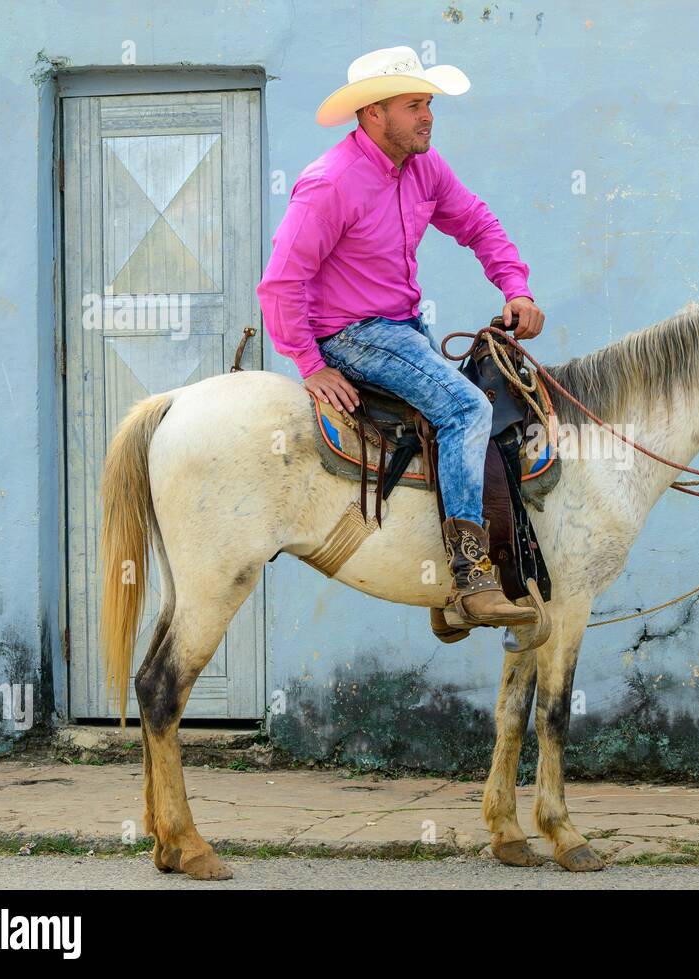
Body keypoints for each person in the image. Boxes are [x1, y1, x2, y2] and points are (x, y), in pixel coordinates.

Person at [256, 45, 543, 628]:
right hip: (353, 336)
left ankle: (443, 586)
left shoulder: (424, 168)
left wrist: (517, 288)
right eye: (414, 105)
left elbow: (476, 222)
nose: (428, 115)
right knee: (466, 409)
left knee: (473, 407)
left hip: (404, 332)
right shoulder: (330, 183)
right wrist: (310, 364)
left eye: (429, 103)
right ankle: (469, 580)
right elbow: (281, 283)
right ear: (372, 114)